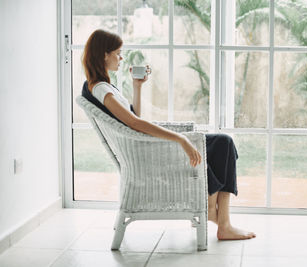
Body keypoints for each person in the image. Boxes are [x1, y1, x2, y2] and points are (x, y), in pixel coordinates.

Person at [81, 29, 256, 240]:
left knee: (223, 144)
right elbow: (134, 123)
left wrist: (137, 87)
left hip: (146, 146)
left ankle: (221, 219)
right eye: (118, 53)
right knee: (221, 143)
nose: (121, 57)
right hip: (150, 151)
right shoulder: (101, 89)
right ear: (103, 55)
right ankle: (216, 216)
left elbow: (132, 115)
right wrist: (180, 138)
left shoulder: (102, 87)